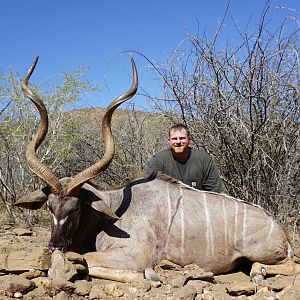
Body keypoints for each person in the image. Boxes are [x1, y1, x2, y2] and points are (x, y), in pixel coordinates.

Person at [145, 124, 223, 193]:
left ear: (189, 139)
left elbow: (214, 191)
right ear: (169, 141)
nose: (178, 142)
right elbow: (150, 189)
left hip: (198, 205)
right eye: (174, 139)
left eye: (182, 138)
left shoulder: (204, 158)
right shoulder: (158, 160)